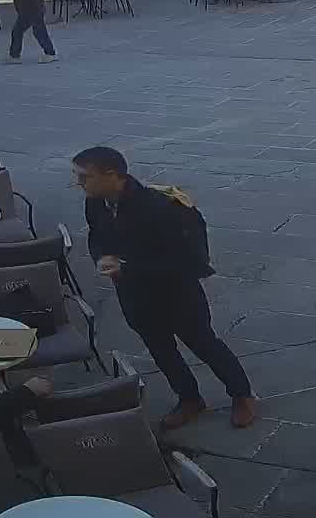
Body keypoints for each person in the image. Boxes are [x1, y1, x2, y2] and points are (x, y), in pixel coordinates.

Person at [73, 146, 257, 430]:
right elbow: (97, 237)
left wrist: (128, 268)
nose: (79, 183)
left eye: (85, 177)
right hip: (133, 295)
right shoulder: (95, 202)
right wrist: (102, 257)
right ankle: (189, 398)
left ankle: (241, 394)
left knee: (204, 344)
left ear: (112, 175)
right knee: (161, 350)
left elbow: (186, 259)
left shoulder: (160, 207)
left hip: (175, 293)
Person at [3, 0, 57, 65]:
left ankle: (51, 53)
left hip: (34, 9)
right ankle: (14, 56)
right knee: (17, 31)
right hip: (26, 11)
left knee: (39, 32)